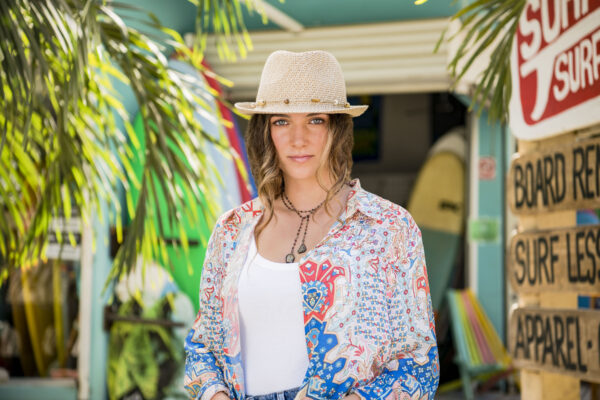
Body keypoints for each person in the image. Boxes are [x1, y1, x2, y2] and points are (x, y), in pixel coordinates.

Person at [184, 50, 439, 400]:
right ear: (265, 131)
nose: (298, 139)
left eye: (315, 120)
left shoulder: (389, 228)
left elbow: (419, 366)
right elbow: (202, 347)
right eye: (281, 121)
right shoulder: (231, 230)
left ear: (337, 127)